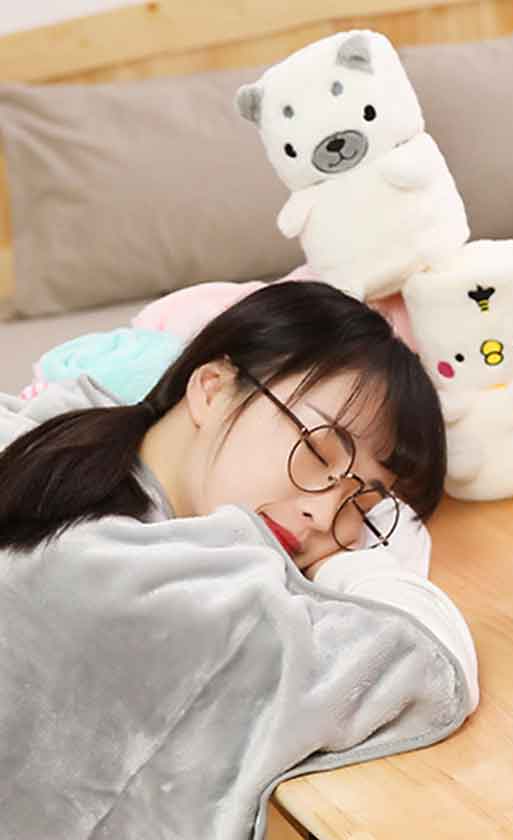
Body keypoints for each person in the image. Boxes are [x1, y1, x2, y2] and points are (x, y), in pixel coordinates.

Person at [0, 280, 478, 840]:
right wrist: (357, 567)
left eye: (362, 504)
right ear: (212, 387)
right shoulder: (132, 583)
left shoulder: (61, 440)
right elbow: (427, 663)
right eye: (318, 450)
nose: (326, 514)